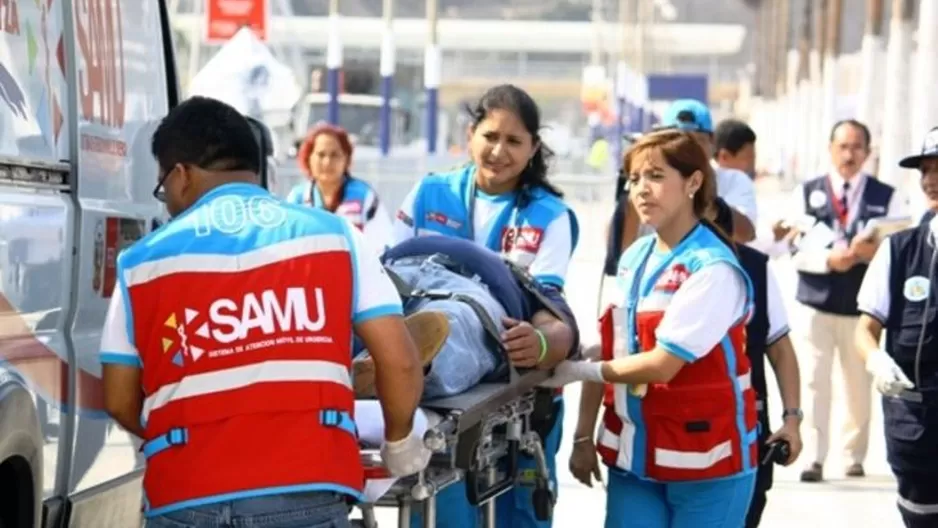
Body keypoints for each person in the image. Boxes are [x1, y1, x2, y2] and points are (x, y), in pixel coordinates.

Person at [98, 97, 429, 528]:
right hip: (307, 490)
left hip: (185, 496)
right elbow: (400, 361)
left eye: (162, 187)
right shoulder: (334, 236)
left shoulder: (140, 263)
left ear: (180, 175)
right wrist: (399, 443)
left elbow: (120, 400)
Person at [545, 129, 759, 528]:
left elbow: (662, 365)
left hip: (708, 463)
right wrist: (582, 436)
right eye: (634, 179)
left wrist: (578, 372)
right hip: (636, 461)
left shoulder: (712, 268)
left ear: (694, 182)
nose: (641, 190)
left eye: (656, 176)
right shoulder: (635, 257)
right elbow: (610, 347)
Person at [393, 84, 578, 528]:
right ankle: (394, 363)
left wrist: (538, 341)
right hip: (421, 312)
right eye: (490, 136)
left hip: (506, 347)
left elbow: (546, 302)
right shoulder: (428, 193)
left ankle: (412, 363)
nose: (499, 151)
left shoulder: (548, 215)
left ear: (534, 148)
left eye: (514, 141)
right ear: (471, 133)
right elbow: (392, 272)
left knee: (517, 516)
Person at [787, 119, 903, 483]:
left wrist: (871, 253)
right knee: (815, 382)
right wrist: (826, 260)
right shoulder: (807, 193)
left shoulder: (886, 197)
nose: (849, 155)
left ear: (867, 153)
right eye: (843, 147)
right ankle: (815, 457)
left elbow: (899, 242)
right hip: (816, 304)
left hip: (861, 307)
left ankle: (854, 455)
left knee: (857, 384)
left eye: (856, 148)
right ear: (830, 149)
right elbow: (792, 246)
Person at [854, 126, 938, 528]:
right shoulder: (899, 249)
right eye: (925, 169)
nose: (931, 179)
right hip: (916, 419)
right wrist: (876, 360)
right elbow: (865, 328)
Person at [658, 99, 758, 243]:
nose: (687, 150)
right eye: (677, 142)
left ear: (712, 143)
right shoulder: (649, 183)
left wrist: (707, 200)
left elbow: (746, 234)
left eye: (696, 141)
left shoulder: (734, 181)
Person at [286, 123, 394, 251]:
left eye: (334, 155)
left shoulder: (365, 197)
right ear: (308, 158)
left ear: (346, 158)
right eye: (321, 155)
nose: (327, 162)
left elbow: (382, 246)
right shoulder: (297, 199)